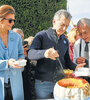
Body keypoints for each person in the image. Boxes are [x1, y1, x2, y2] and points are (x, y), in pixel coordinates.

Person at [28, 9, 85, 99]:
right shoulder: (41, 35)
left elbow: (67, 61)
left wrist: (75, 67)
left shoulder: (65, 40)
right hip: (43, 83)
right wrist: (45, 53)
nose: (64, 28)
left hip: (60, 83)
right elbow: (30, 53)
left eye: (66, 26)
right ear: (54, 21)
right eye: (62, 24)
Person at [0, 5, 25, 100]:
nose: (13, 23)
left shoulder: (17, 37)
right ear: (1, 19)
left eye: (14, 20)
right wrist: (7, 63)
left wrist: (20, 61)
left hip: (15, 81)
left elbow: (21, 55)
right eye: (10, 20)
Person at [73, 18, 90, 83]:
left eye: (85, 32)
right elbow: (74, 61)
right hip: (82, 79)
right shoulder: (77, 44)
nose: (83, 36)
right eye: (80, 33)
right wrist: (76, 60)